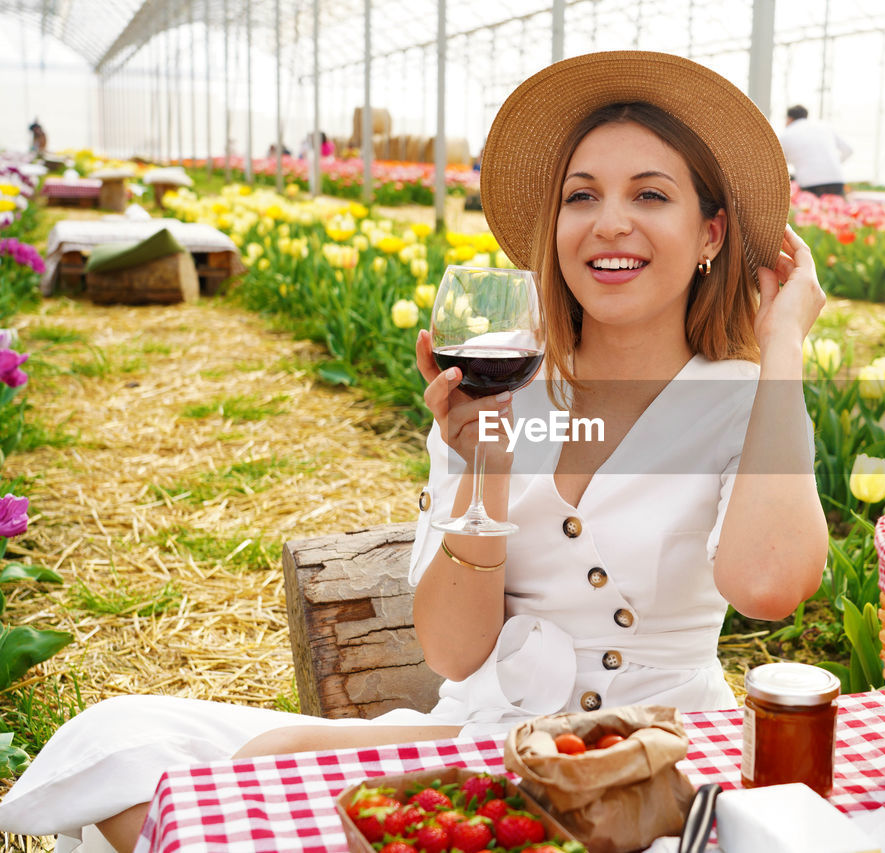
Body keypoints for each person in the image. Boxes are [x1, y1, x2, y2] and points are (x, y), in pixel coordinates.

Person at [0, 50, 828, 853]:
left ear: (711, 231)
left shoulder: (746, 403)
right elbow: (453, 652)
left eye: (651, 194)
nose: (610, 222)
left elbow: (768, 586)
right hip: (492, 739)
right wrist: (485, 473)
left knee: (242, 789)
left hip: (660, 755)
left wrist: (780, 346)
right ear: (556, 225)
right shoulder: (497, 386)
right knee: (127, 738)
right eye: (582, 196)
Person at [778, 105, 851, 199]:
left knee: (812, 210)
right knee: (835, 211)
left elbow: (779, 163)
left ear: (790, 119)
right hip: (836, 180)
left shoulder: (785, 134)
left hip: (809, 182)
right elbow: (849, 150)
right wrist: (835, 163)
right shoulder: (825, 127)